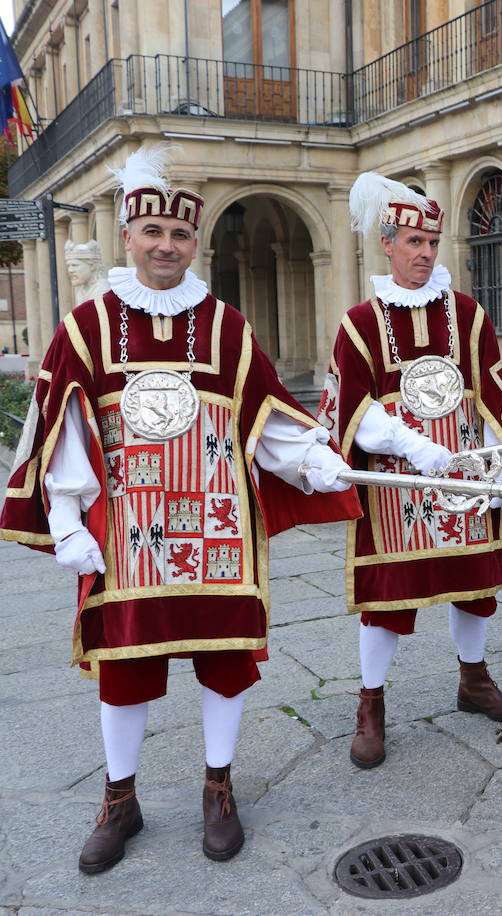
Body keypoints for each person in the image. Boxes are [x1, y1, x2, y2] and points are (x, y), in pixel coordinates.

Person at [0, 144, 360, 873]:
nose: (168, 247)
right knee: (124, 666)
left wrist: (315, 460)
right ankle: (119, 799)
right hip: (127, 539)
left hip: (220, 534)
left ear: (197, 242)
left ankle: (218, 787)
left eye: (182, 235)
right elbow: (62, 428)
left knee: (224, 661)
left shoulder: (229, 327)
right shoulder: (88, 327)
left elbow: (269, 420)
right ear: (130, 234)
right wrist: (66, 519)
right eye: (154, 233)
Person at [318, 172, 502, 770]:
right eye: (414, 242)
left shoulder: (467, 314)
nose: (426, 254)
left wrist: (496, 463)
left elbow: (492, 391)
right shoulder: (360, 322)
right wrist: (415, 447)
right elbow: (350, 410)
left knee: (476, 581)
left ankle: (474, 680)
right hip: (398, 484)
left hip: (464, 470)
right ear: (387, 244)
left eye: (433, 243)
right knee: (389, 594)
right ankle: (370, 704)